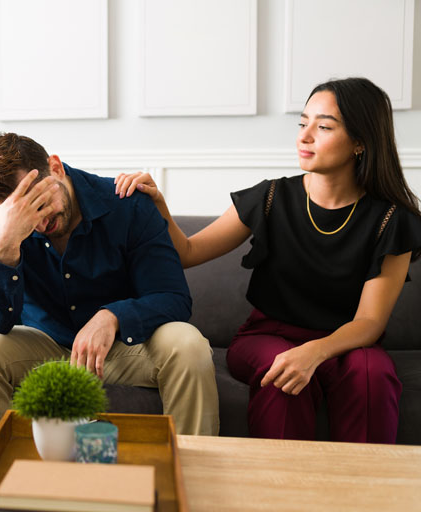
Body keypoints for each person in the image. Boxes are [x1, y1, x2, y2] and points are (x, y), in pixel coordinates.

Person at [115, 77, 421, 443]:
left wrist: (314, 352)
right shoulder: (271, 197)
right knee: (282, 374)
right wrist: (159, 205)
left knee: (372, 374)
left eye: (323, 127)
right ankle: (279, 479)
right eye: (303, 123)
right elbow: (187, 253)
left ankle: (364, 480)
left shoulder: (392, 220)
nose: (304, 136)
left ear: (360, 142)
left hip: (348, 342)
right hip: (268, 336)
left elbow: (370, 322)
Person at [0, 133, 219, 435]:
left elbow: (173, 298)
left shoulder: (128, 203)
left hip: (123, 349)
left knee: (188, 344)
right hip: (43, 347)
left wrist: (113, 317)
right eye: (24, 216)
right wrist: (5, 245)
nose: (39, 225)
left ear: (56, 168)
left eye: (40, 204)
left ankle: (190, 461)